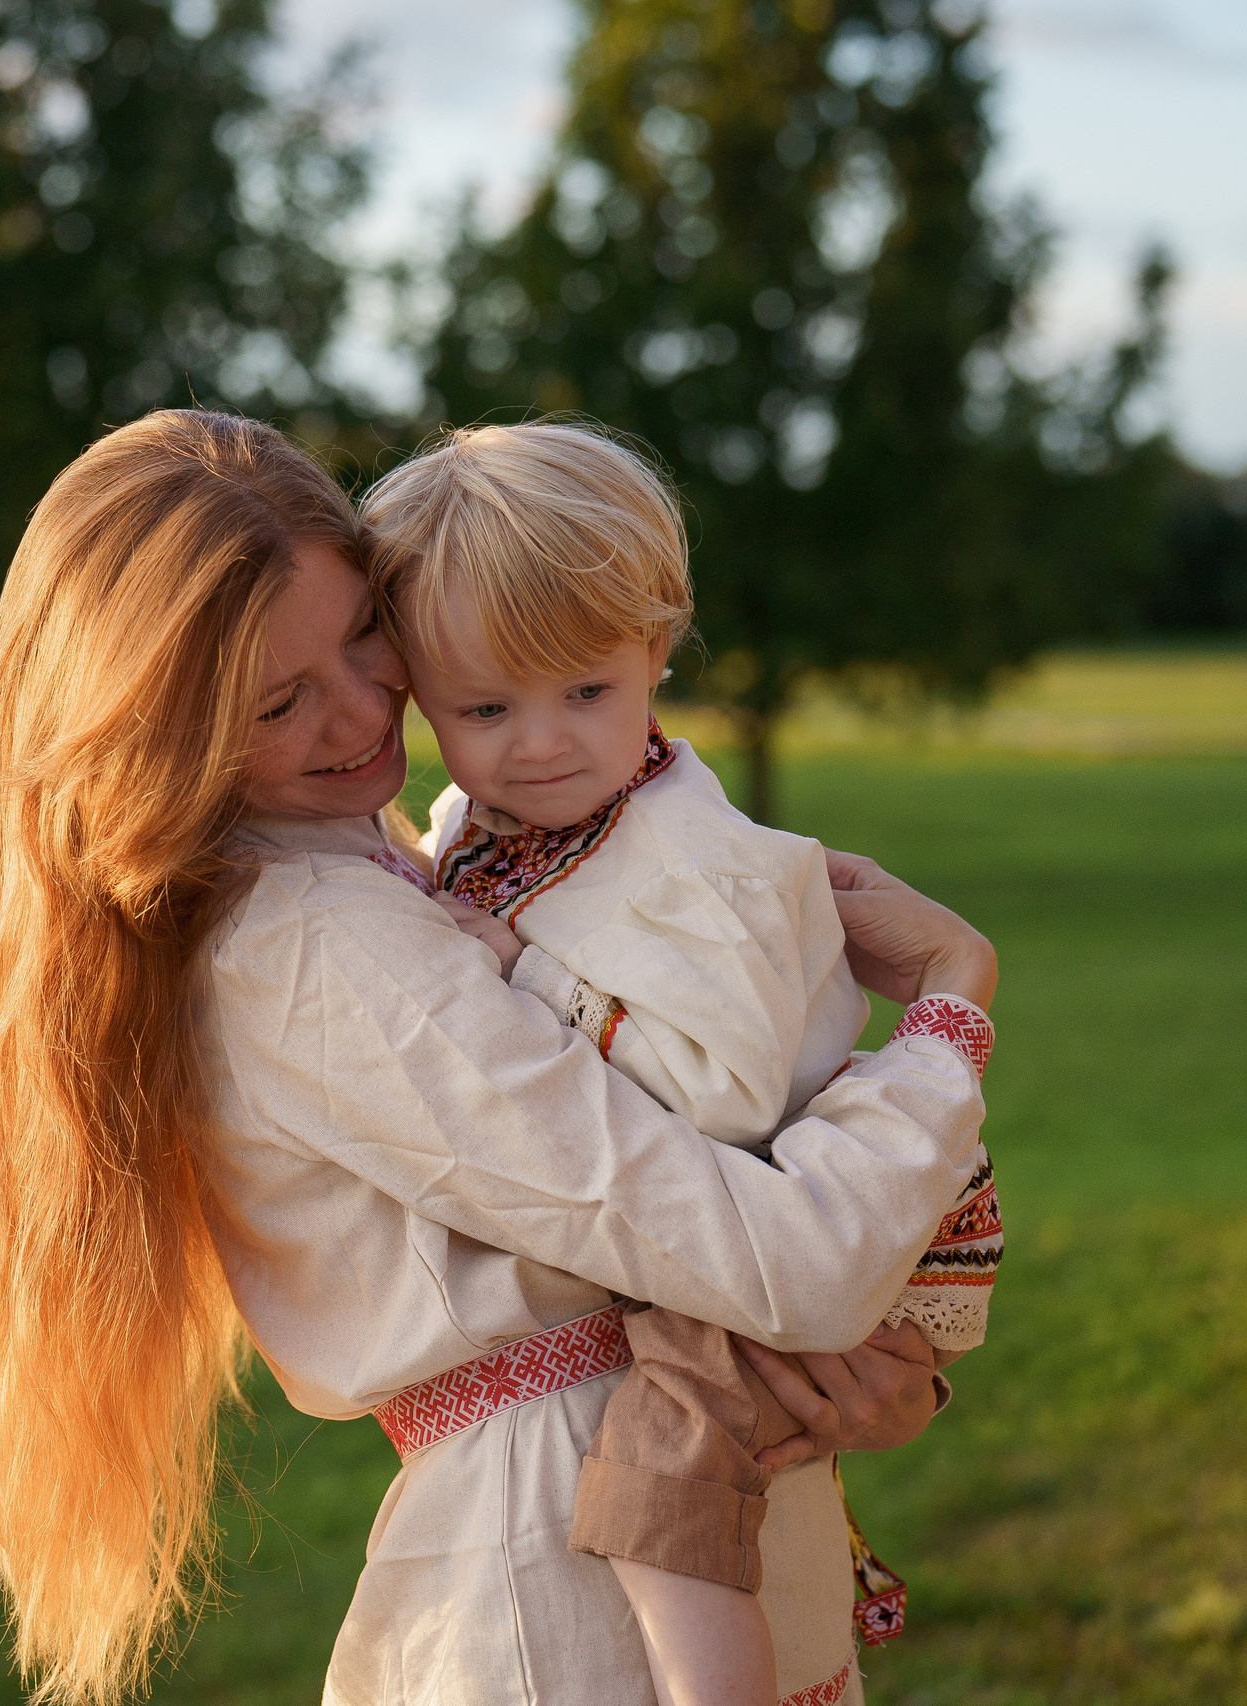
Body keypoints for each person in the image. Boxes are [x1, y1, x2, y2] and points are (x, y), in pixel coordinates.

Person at [0, 410, 997, 1706]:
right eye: (279, 701)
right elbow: (791, 1259)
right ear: (165, 734)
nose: (365, 713)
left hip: (645, 1529)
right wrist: (947, 1006)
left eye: (364, 634)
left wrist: (877, 1367)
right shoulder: (310, 941)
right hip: (572, 1597)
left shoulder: (377, 869)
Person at [365, 422, 1001, 1706]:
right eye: (485, 707)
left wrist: (506, 978)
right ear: (417, 695)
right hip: (734, 1242)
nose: (539, 742)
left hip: (817, 1211)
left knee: (668, 1457)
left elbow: (714, 1103)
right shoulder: (479, 828)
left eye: (586, 691)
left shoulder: (696, 869)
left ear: (655, 646)